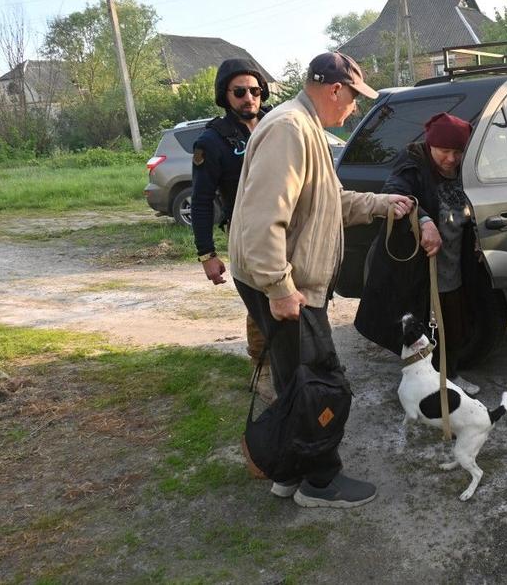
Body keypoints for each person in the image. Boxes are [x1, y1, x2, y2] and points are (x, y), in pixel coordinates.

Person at [228, 51, 413, 508]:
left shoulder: (306, 129)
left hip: (285, 282)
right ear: (335, 90)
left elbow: (327, 203)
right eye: (353, 99)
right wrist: (280, 288)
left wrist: (379, 203)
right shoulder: (291, 129)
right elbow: (261, 218)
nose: (353, 109)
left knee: (297, 381)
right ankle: (320, 482)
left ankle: (288, 472)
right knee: (320, 382)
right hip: (284, 285)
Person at [355, 112, 484, 395]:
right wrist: (424, 220)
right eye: (444, 151)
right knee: (420, 328)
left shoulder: (468, 167)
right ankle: (423, 384)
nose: (451, 159)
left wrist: (478, 234)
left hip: (453, 262)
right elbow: (396, 194)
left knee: (453, 324)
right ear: (430, 146)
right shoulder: (412, 163)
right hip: (419, 267)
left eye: (458, 152)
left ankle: (449, 377)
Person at [191, 58, 275, 401]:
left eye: (255, 90)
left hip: (286, 227)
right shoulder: (212, 141)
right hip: (246, 234)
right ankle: (263, 368)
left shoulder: (276, 124)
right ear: (225, 96)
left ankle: (293, 361)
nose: (249, 98)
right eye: (239, 91)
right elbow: (200, 200)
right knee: (261, 301)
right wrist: (207, 254)